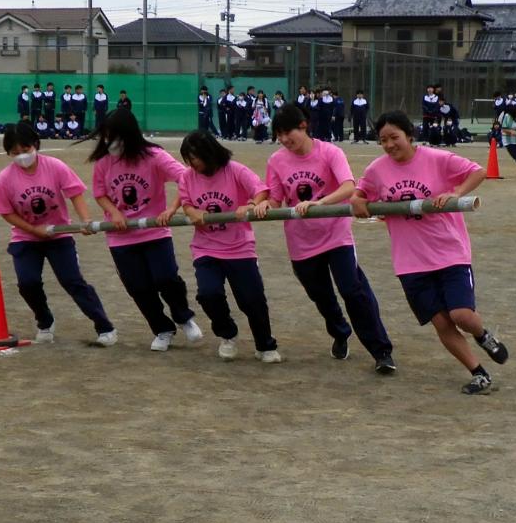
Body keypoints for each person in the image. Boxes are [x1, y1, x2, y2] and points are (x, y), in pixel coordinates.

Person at [351, 111, 508, 394]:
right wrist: (357, 200)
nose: (389, 145)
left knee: (461, 314)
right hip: (410, 261)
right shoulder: (377, 169)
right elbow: (360, 193)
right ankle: (478, 373)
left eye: (394, 137)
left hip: (449, 252)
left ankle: (483, 335)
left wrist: (456, 193)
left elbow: (478, 171)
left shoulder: (436, 158)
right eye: (383, 140)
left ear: (409, 135)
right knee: (440, 322)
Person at [255, 106, 396, 373]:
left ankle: (381, 351)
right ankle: (340, 331)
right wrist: (264, 205)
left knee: (353, 290)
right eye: (279, 135)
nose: (285, 139)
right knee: (320, 295)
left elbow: (348, 186)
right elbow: (275, 197)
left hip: (336, 236)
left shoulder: (330, 152)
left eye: (288, 132)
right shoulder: (276, 160)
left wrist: (318, 203)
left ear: (304, 126)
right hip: (301, 242)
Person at [0, 122, 116, 346]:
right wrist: (33, 229)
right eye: (15, 153)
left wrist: (85, 220)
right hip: (26, 238)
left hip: (59, 236)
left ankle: (104, 326)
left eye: (25, 150)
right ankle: (45, 321)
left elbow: (75, 193)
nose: (21, 156)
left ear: (35, 145)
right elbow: (6, 212)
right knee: (27, 283)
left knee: (72, 281)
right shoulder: (5, 178)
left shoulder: (55, 166)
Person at [90, 109, 202, 351]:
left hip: (155, 232)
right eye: (107, 136)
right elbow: (100, 194)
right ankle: (162, 328)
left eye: (114, 136)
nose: (110, 142)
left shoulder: (154, 156)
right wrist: (115, 212)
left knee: (166, 277)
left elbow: (186, 178)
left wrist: (173, 208)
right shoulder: (103, 163)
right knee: (138, 287)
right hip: (121, 239)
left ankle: (183, 316)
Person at [177, 131, 279, 362]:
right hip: (206, 248)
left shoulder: (235, 170)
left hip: (239, 247)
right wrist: (194, 212)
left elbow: (262, 190)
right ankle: (227, 334)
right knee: (208, 294)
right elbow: (186, 204)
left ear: (209, 153)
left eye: (194, 158)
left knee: (252, 299)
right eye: (188, 159)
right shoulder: (188, 176)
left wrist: (251, 204)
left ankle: (265, 344)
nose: (191, 164)